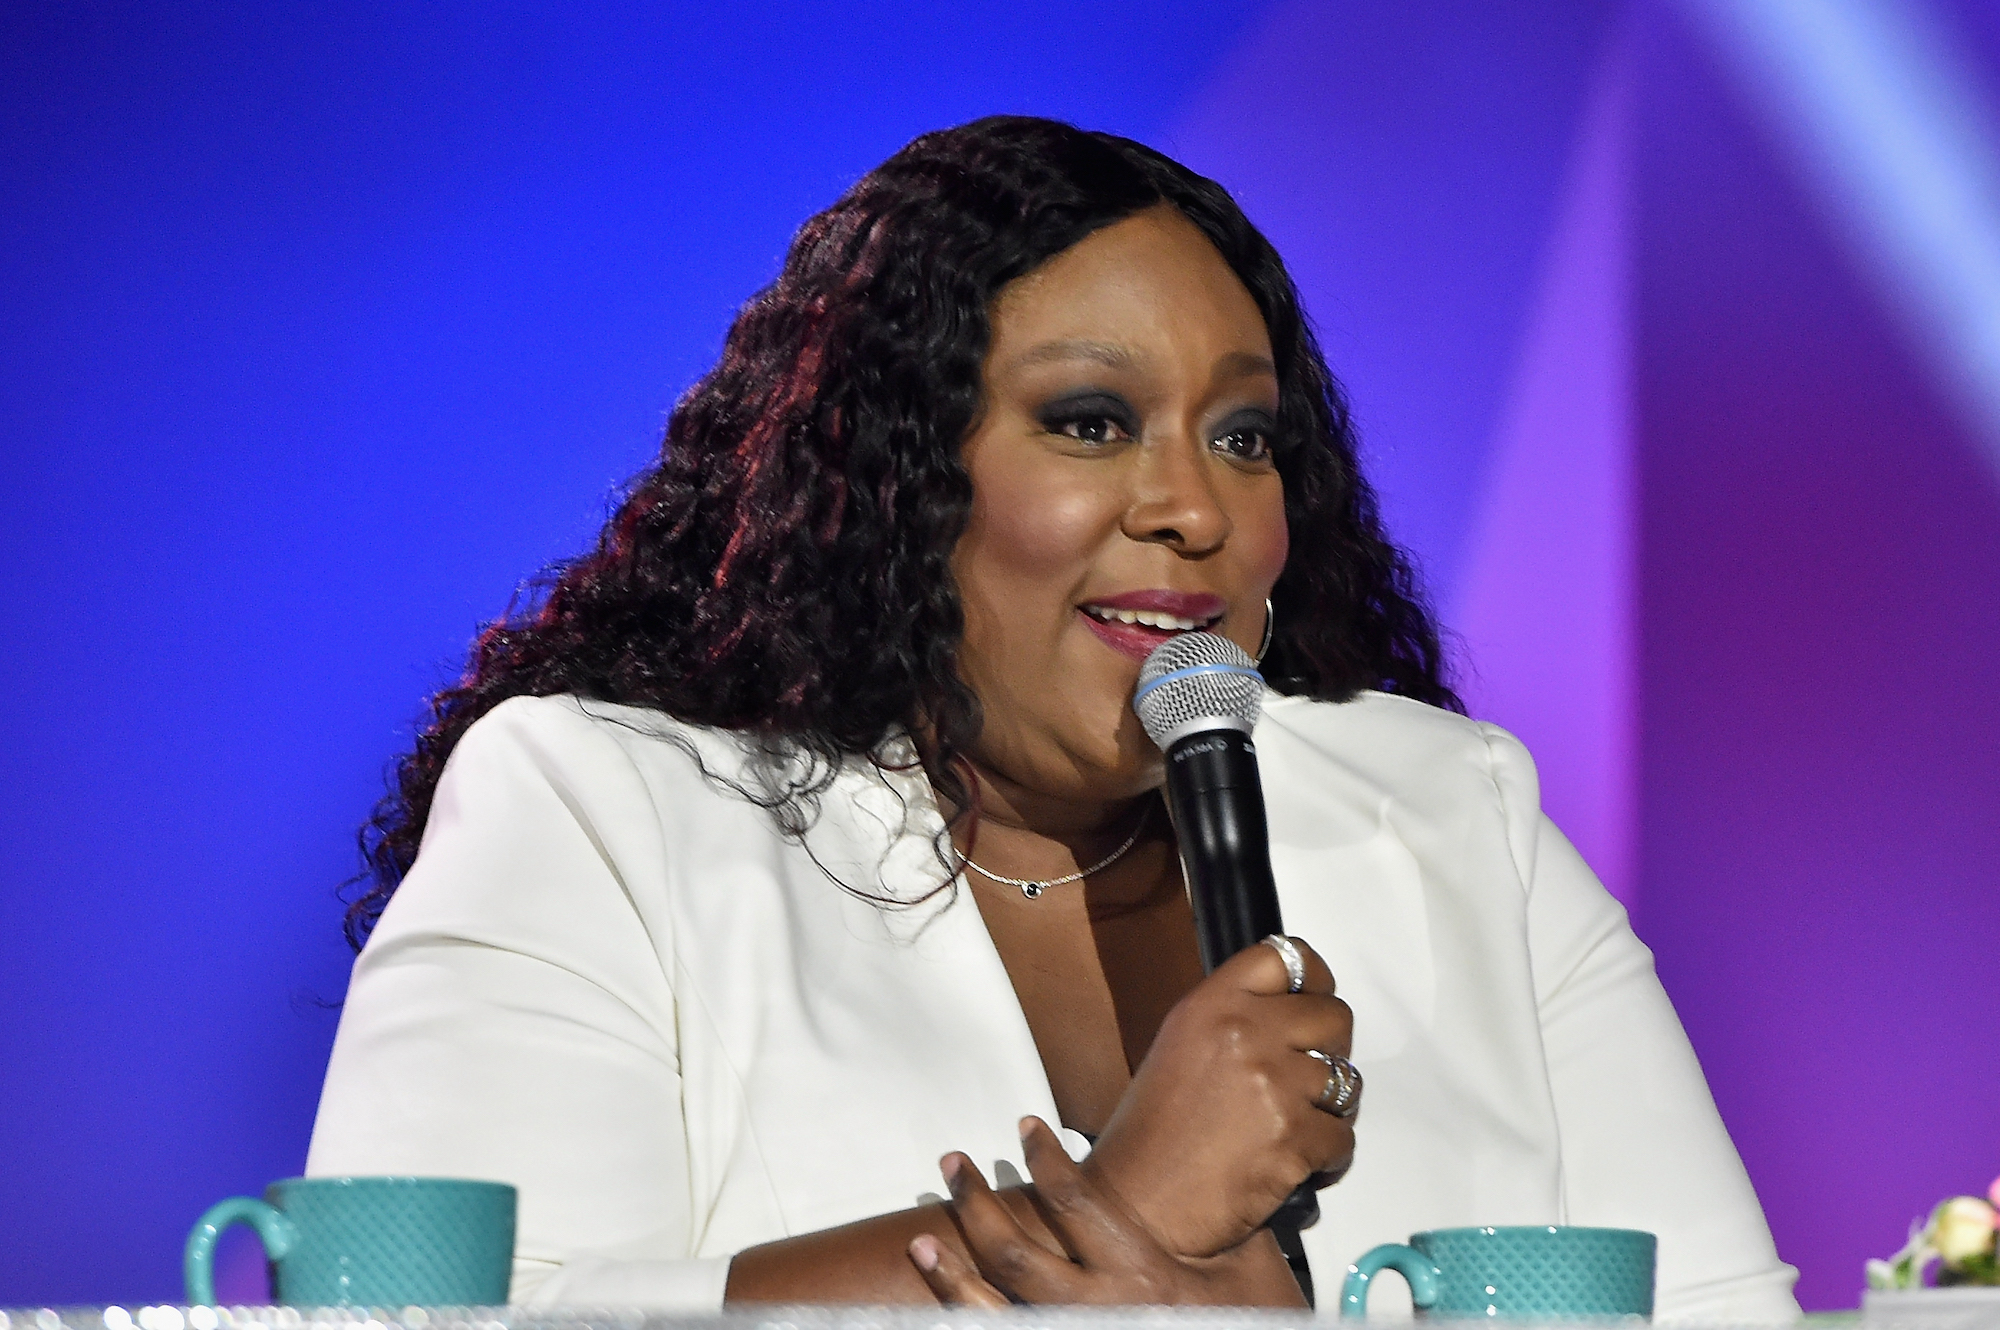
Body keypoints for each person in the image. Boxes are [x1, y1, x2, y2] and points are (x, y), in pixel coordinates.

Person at [307, 116, 1800, 1318]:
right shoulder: (598, 813)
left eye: (1244, 435)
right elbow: (432, 1324)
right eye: (1091, 422)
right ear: (895, 480)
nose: (1195, 507)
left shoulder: (1457, 816)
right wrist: (1127, 1204)